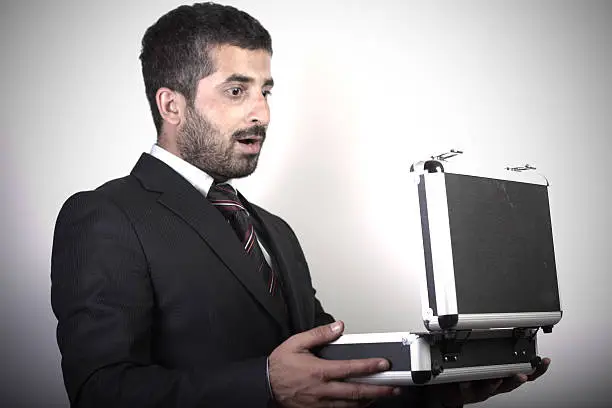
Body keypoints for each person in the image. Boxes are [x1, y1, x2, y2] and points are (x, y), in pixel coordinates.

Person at [50, 2, 549, 407]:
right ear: (171, 105)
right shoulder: (105, 216)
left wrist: (443, 386)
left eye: (265, 91)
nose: (261, 113)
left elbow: (328, 380)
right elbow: (99, 392)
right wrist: (263, 385)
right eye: (236, 90)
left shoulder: (274, 231)